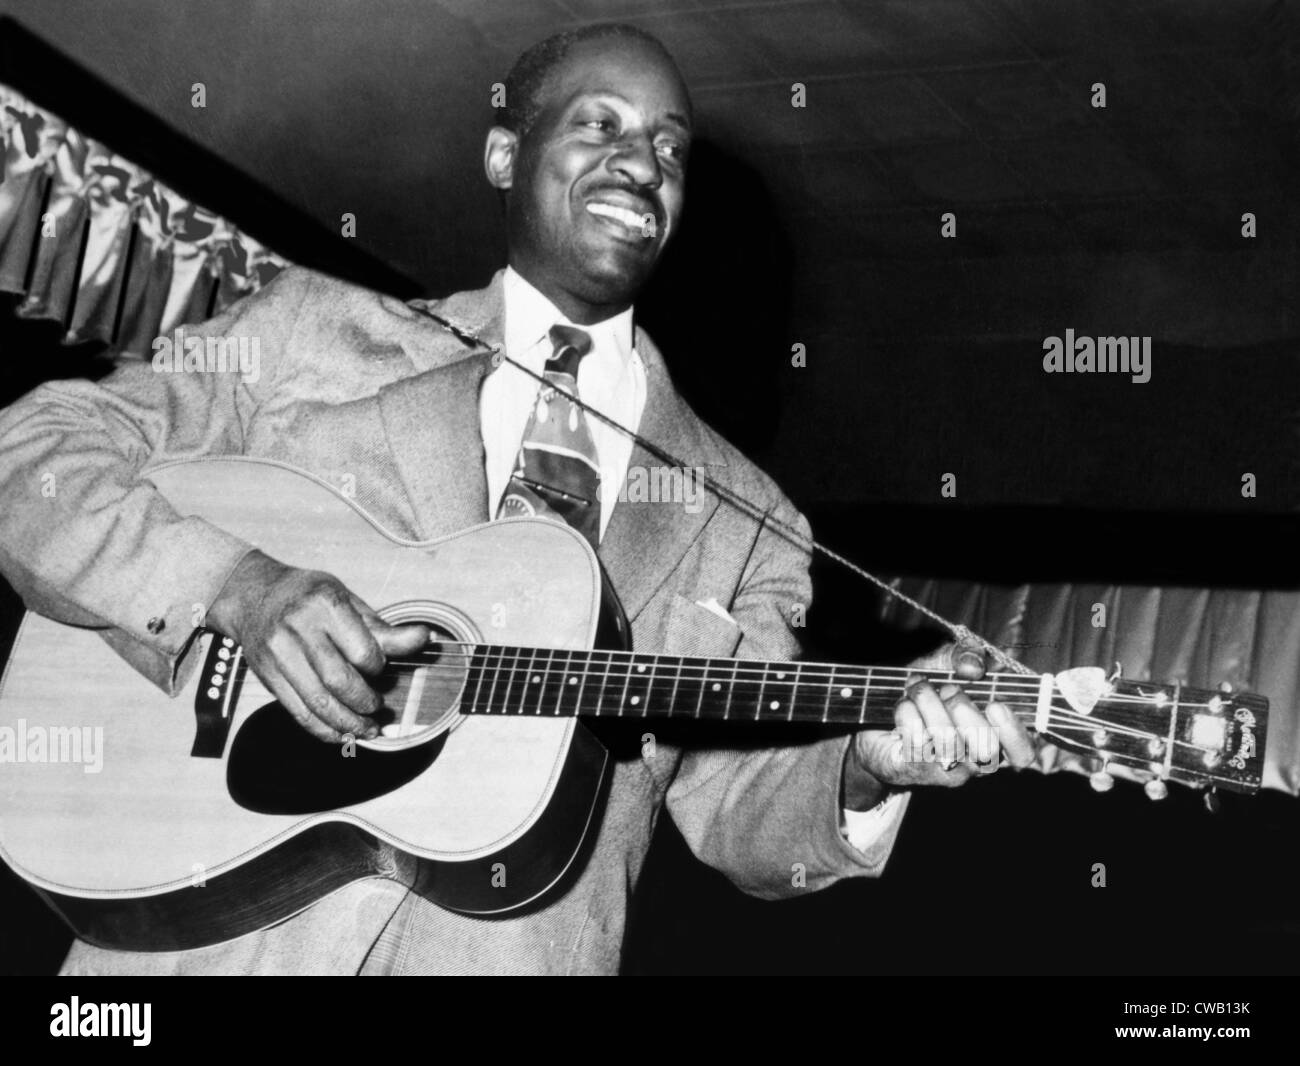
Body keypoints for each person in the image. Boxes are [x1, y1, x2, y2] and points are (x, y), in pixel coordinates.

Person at [0, 23, 1033, 975]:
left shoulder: (743, 519)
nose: (642, 164)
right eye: (601, 125)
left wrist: (866, 763)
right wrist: (235, 584)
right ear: (505, 155)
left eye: (669, 149)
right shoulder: (313, 333)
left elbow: (735, 806)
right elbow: (31, 453)